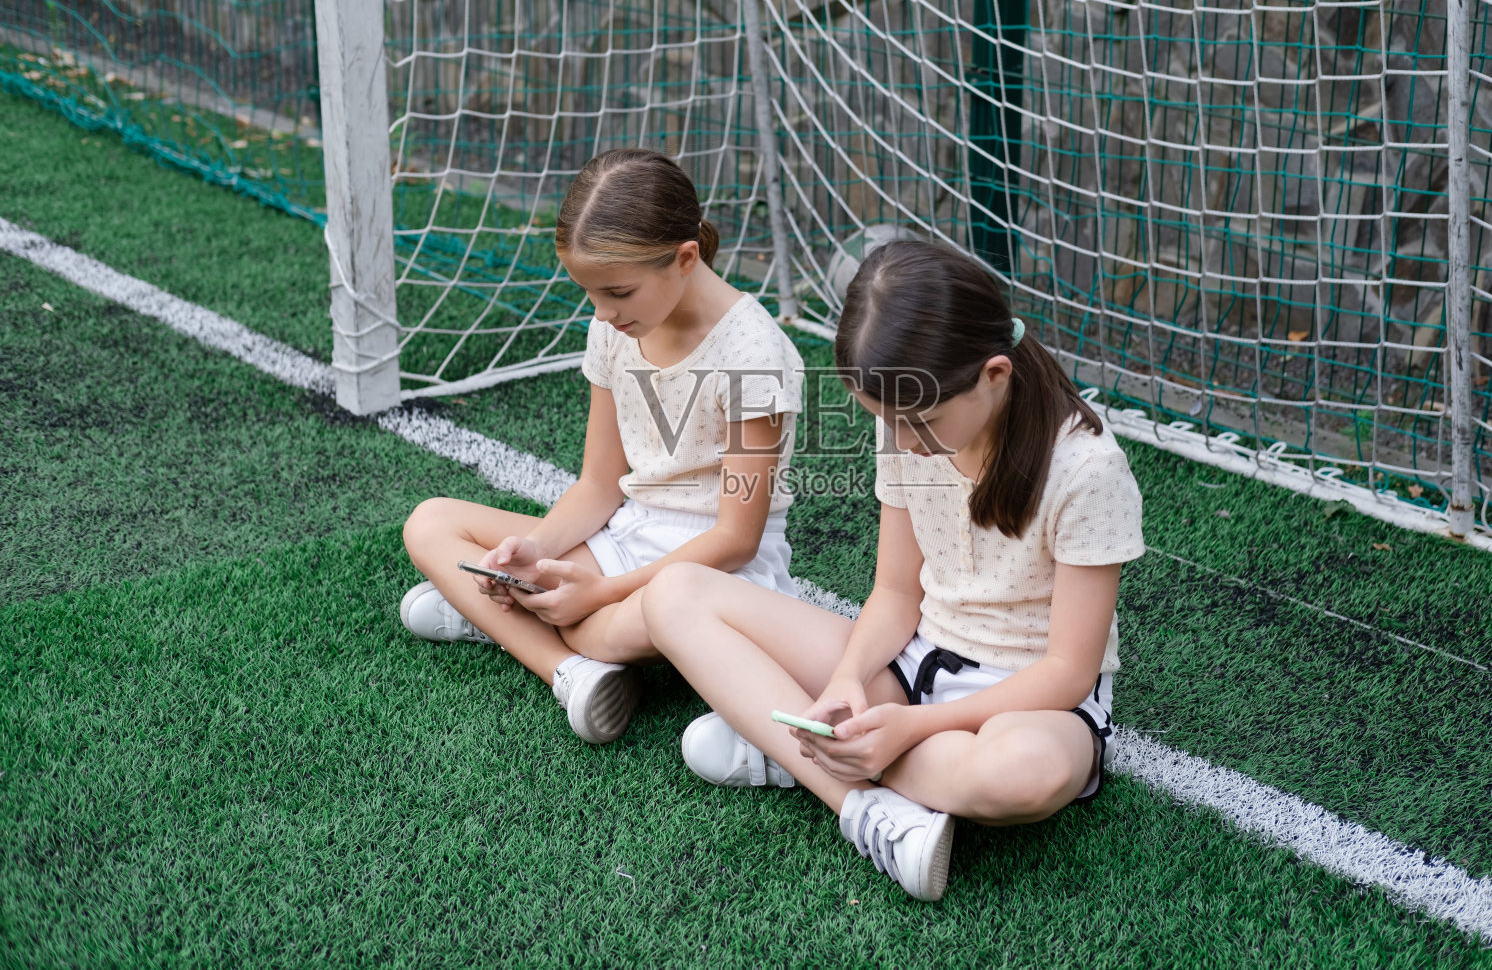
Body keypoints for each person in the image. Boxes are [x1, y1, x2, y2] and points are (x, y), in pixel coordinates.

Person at [641, 241, 1143, 900]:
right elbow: (896, 591)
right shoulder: (907, 417)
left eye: (922, 422)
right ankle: (867, 805)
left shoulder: (1086, 467)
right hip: (912, 664)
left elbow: (1068, 671)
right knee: (675, 592)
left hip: (1032, 705)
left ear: (994, 374)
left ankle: (803, 749)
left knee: (1025, 773)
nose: (903, 442)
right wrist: (850, 678)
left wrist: (909, 729)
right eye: (887, 421)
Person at [400, 148, 803, 744]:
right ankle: (571, 672)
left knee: (596, 627)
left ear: (685, 258)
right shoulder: (612, 332)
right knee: (430, 522)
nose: (603, 313)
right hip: (630, 535)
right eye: (590, 294)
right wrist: (529, 553)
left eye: (617, 292)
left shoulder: (754, 358)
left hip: (715, 572)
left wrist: (599, 593)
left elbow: (736, 539)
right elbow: (597, 485)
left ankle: (545, 634)